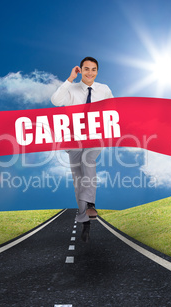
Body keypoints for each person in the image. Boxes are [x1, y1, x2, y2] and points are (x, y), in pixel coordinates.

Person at [51, 56, 113, 242]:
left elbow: (114, 109)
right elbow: (55, 100)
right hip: (73, 138)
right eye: (86, 69)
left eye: (93, 69)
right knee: (78, 179)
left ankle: (90, 204)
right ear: (80, 70)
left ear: (97, 71)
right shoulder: (72, 89)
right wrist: (69, 79)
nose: (90, 73)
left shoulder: (104, 89)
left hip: (95, 135)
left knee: (88, 160)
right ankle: (84, 220)